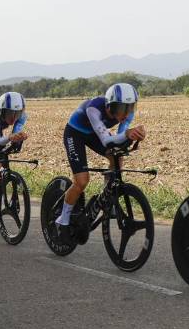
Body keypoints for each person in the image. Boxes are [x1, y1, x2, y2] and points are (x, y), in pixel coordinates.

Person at [55, 83, 146, 241]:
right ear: (110, 106)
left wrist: (131, 137)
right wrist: (127, 134)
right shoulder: (94, 109)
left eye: (130, 107)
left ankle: (107, 194)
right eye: (122, 108)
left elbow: (118, 138)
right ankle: (62, 220)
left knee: (116, 156)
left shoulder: (127, 114)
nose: (126, 114)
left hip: (93, 133)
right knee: (82, 181)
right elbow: (106, 140)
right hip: (75, 133)